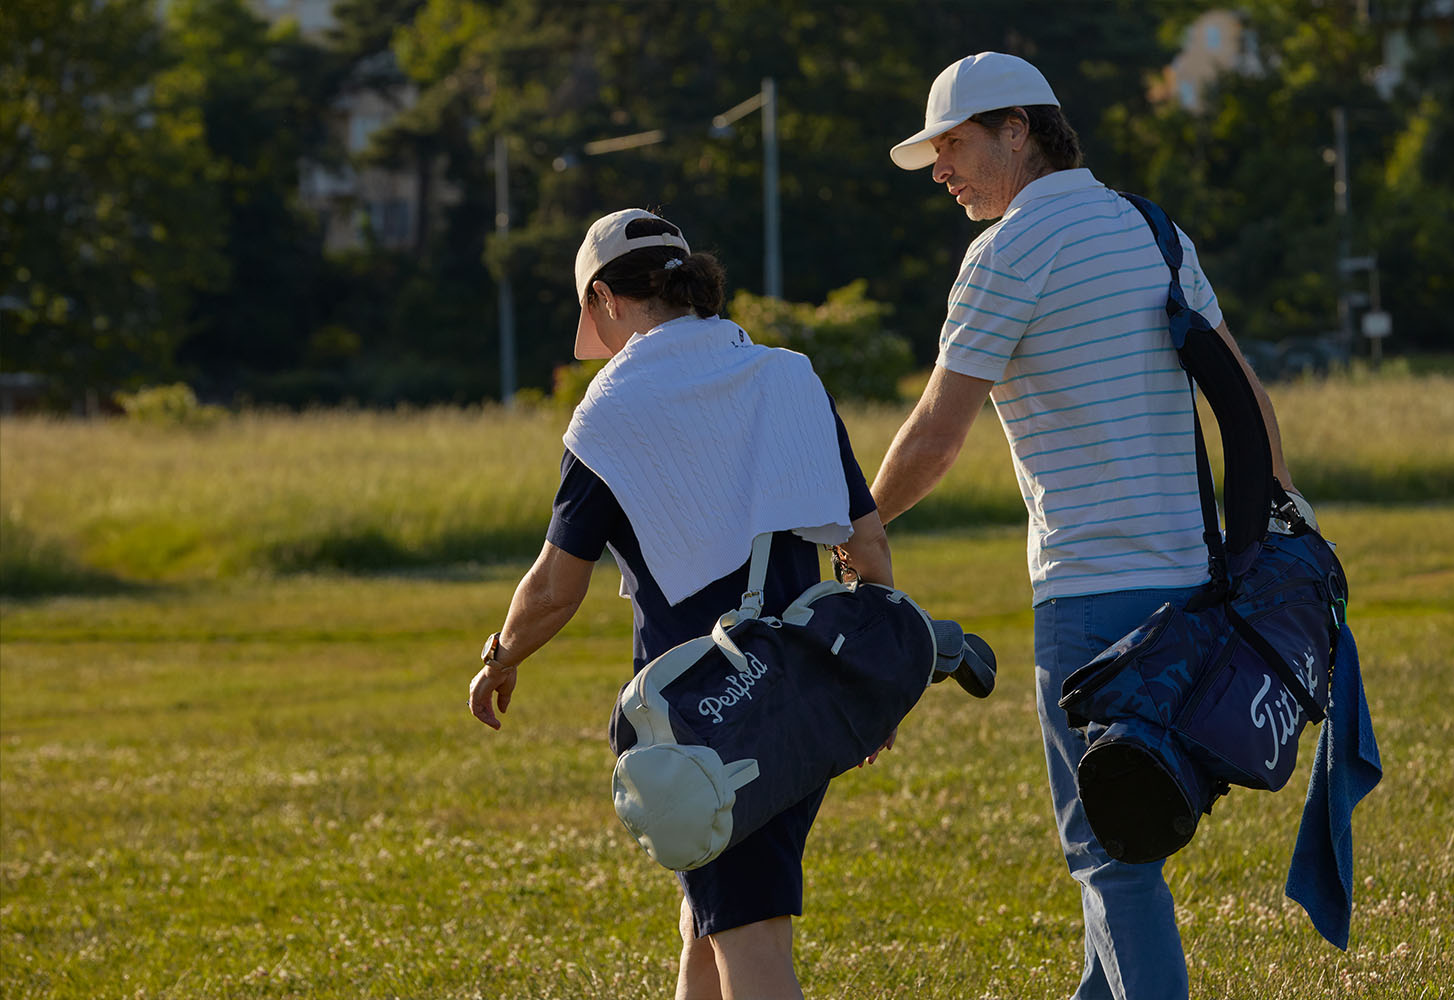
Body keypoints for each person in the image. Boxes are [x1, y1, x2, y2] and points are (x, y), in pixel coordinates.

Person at [872, 53, 1306, 1000]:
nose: (941, 172)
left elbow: (939, 432)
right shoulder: (1152, 229)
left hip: (1089, 600)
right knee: (1125, 844)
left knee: (1113, 860)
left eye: (954, 147)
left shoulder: (1007, 251)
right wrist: (1282, 522)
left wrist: (857, 520)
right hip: (1193, 594)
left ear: (1018, 131)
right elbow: (1241, 390)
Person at [467, 208, 894, 1000]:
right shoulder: (787, 375)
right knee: (710, 914)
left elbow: (557, 588)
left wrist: (500, 657)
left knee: (750, 939)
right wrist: (869, 691)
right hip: (802, 694)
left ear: (604, 299)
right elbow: (865, 552)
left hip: (697, 723)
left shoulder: (613, 409)